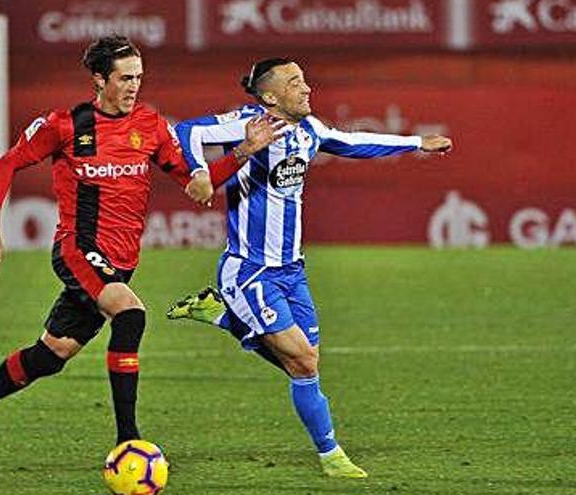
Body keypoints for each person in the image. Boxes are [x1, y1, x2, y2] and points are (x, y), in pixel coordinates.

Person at [0, 36, 283, 462]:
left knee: (51, 355)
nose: (134, 86)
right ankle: (128, 441)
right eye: (125, 77)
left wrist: (244, 150)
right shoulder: (66, 125)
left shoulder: (151, 126)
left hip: (121, 262)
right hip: (79, 249)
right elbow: (7, 163)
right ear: (99, 79)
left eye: (139, 77)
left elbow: (198, 186)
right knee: (131, 313)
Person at [166, 58, 452, 478]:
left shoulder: (309, 130)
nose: (306, 88)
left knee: (307, 361)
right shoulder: (248, 122)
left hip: (292, 271)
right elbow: (187, 131)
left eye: (304, 80)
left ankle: (222, 316)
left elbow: (352, 142)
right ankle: (332, 456)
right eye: (295, 82)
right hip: (250, 270)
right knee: (302, 361)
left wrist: (415, 144)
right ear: (269, 96)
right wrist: (200, 171)